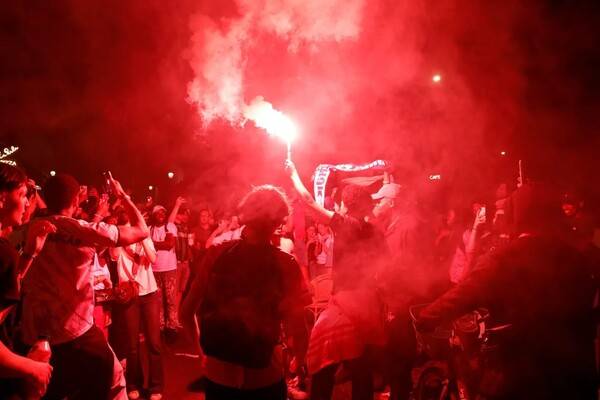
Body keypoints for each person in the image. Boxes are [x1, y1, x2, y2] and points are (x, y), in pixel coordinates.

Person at [417, 184, 598, 399]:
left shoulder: (505, 258)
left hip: (528, 374)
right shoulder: (580, 254)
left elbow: (465, 293)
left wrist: (426, 317)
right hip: (577, 372)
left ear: (517, 215)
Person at [20, 172, 149, 400]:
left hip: (35, 335)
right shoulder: (85, 230)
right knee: (114, 381)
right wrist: (122, 196)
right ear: (75, 200)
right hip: (76, 332)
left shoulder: (31, 227)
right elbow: (142, 230)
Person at [181, 185, 310, 400]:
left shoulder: (216, 254)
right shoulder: (285, 264)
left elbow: (185, 313)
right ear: (278, 222)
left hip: (218, 375)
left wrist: (201, 353)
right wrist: (299, 359)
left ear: (246, 215)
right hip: (265, 378)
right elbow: (298, 328)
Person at [286, 159, 389, 400]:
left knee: (322, 356)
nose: (339, 207)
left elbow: (309, 202)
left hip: (347, 303)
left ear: (347, 205)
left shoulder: (346, 224)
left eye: (341, 203)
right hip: (368, 303)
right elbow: (386, 265)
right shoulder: (375, 232)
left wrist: (293, 174)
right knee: (360, 364)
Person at [0, 164, 55, 398]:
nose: (26, 203)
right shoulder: (4, 253)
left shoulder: (7, 253)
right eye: (22, 194)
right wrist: (33, 368)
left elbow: (5, 290)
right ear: (2, 198)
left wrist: (30, 254)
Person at [111, 209, 163, 400]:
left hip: (149, 294)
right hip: (130, 296)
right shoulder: (118, 240)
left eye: (130, 228)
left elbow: (153, 258)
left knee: (154, 343)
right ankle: (134, 384)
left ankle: (156, 386)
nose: (129, 232)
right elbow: (114, 255)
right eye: (124, 229)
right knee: (132, 345)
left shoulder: (144, 237)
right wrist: (120, 238)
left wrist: (141, 239)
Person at [149, 205, 179, 341]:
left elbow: (169, 244)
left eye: (163, 212)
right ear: (153, 215)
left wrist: (152, 243)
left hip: (169, 269)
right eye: (158, 212)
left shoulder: (170, 227)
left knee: (170, 300)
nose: (161, 214)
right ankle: (160, 327)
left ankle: (172, 327)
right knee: (158, 301)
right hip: (154, 270)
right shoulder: (149, 229)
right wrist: (159, 243)